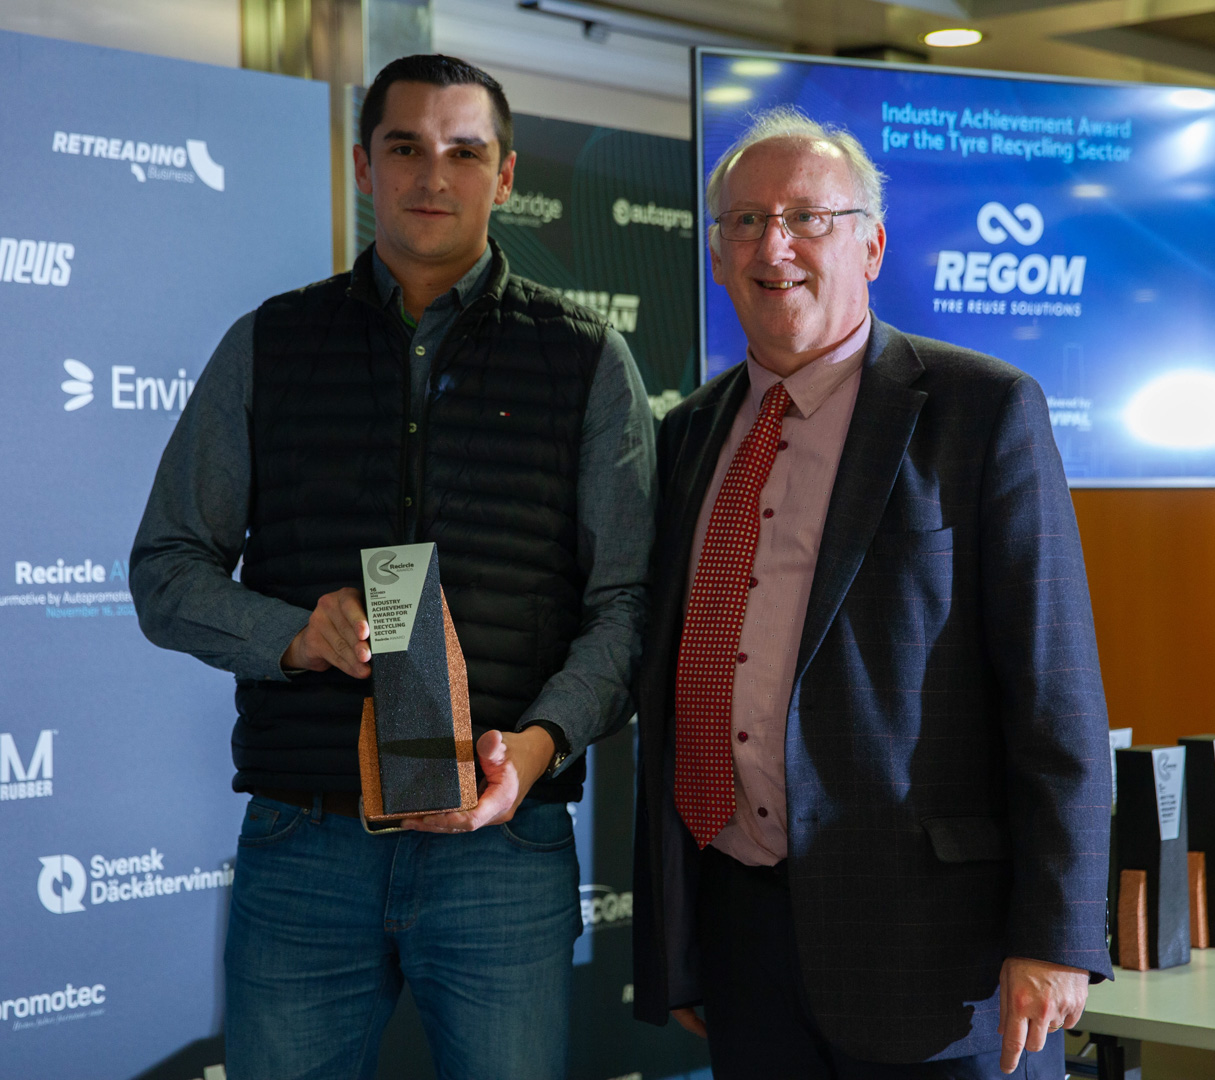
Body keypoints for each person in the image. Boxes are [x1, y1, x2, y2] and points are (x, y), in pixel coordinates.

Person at [129, 54, 654, 1080]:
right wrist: (291, 634)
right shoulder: (269, 343)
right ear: (364, 166)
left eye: (465, 152)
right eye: (406, 147)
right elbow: (166, 567)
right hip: (306, 838)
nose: (433, 175)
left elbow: (627, 604)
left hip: (502, 847)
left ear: (506, 176)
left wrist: (538, 747)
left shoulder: (588, 359)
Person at [631, 106, 1112, 1079]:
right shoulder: (685, 435)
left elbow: (1055, 692)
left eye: (807, 217)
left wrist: (1057, 934)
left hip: (938, 952)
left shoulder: (982, 410)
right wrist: (681, 945)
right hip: (742, 938)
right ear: (717, 255)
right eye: (745, 221)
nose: (774, 246)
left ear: (872, 246)